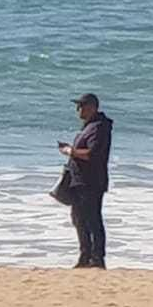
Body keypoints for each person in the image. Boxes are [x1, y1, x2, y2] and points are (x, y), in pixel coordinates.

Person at [59, 93, 113, 269]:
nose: (78, 110)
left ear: (92, 107)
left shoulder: (99, 127)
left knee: (92, 219)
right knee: (78, 218)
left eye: (81, 106)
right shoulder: (89, 127)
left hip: (91, 181)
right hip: (79, 180)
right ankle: (85, 256)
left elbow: (91, 154)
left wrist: (70, 151)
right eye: (78, 106)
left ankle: (97, 259)